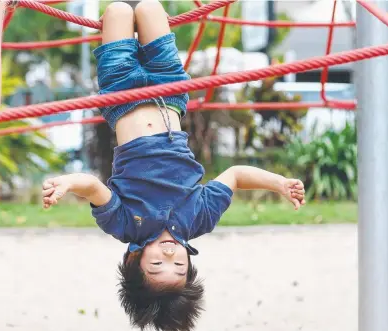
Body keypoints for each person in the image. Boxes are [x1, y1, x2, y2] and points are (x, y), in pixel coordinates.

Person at [42, 1, 306, 330]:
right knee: (151, 8)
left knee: (118, 13)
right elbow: (236, 176)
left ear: (134, 258)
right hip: (170, 90)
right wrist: (278, 183)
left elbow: (94, 188)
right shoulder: (199, 218)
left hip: (121, 92)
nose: (170, 257)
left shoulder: (126, 226)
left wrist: (67, 183)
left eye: (156, 265)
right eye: (179, 267)